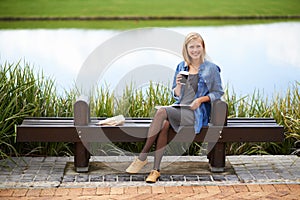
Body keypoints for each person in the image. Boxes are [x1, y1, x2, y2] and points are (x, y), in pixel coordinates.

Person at [126, 32, 224, 183]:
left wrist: (200, 100)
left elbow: (218, 93)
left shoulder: (211, 68)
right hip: (180, 109)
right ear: (186, 48)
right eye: (192, 47)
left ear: (203, 47)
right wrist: (178, 85)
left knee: (161, 111)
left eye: (198, 46)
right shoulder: (181, 66)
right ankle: (155, 170)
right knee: (164, 125)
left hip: (196, 113)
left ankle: (142, 156)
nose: (195, 50)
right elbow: (176, 95)